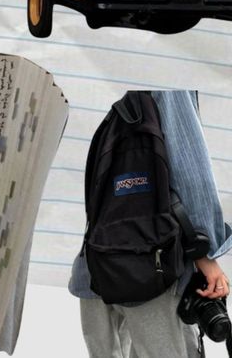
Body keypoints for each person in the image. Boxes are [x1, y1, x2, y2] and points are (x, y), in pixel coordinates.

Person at [70, 90, 232, 358]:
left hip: (95, 266)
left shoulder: (91, 63)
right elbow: (189, 164)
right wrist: (205, 253)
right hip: (154, 272)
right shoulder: (166, 75)